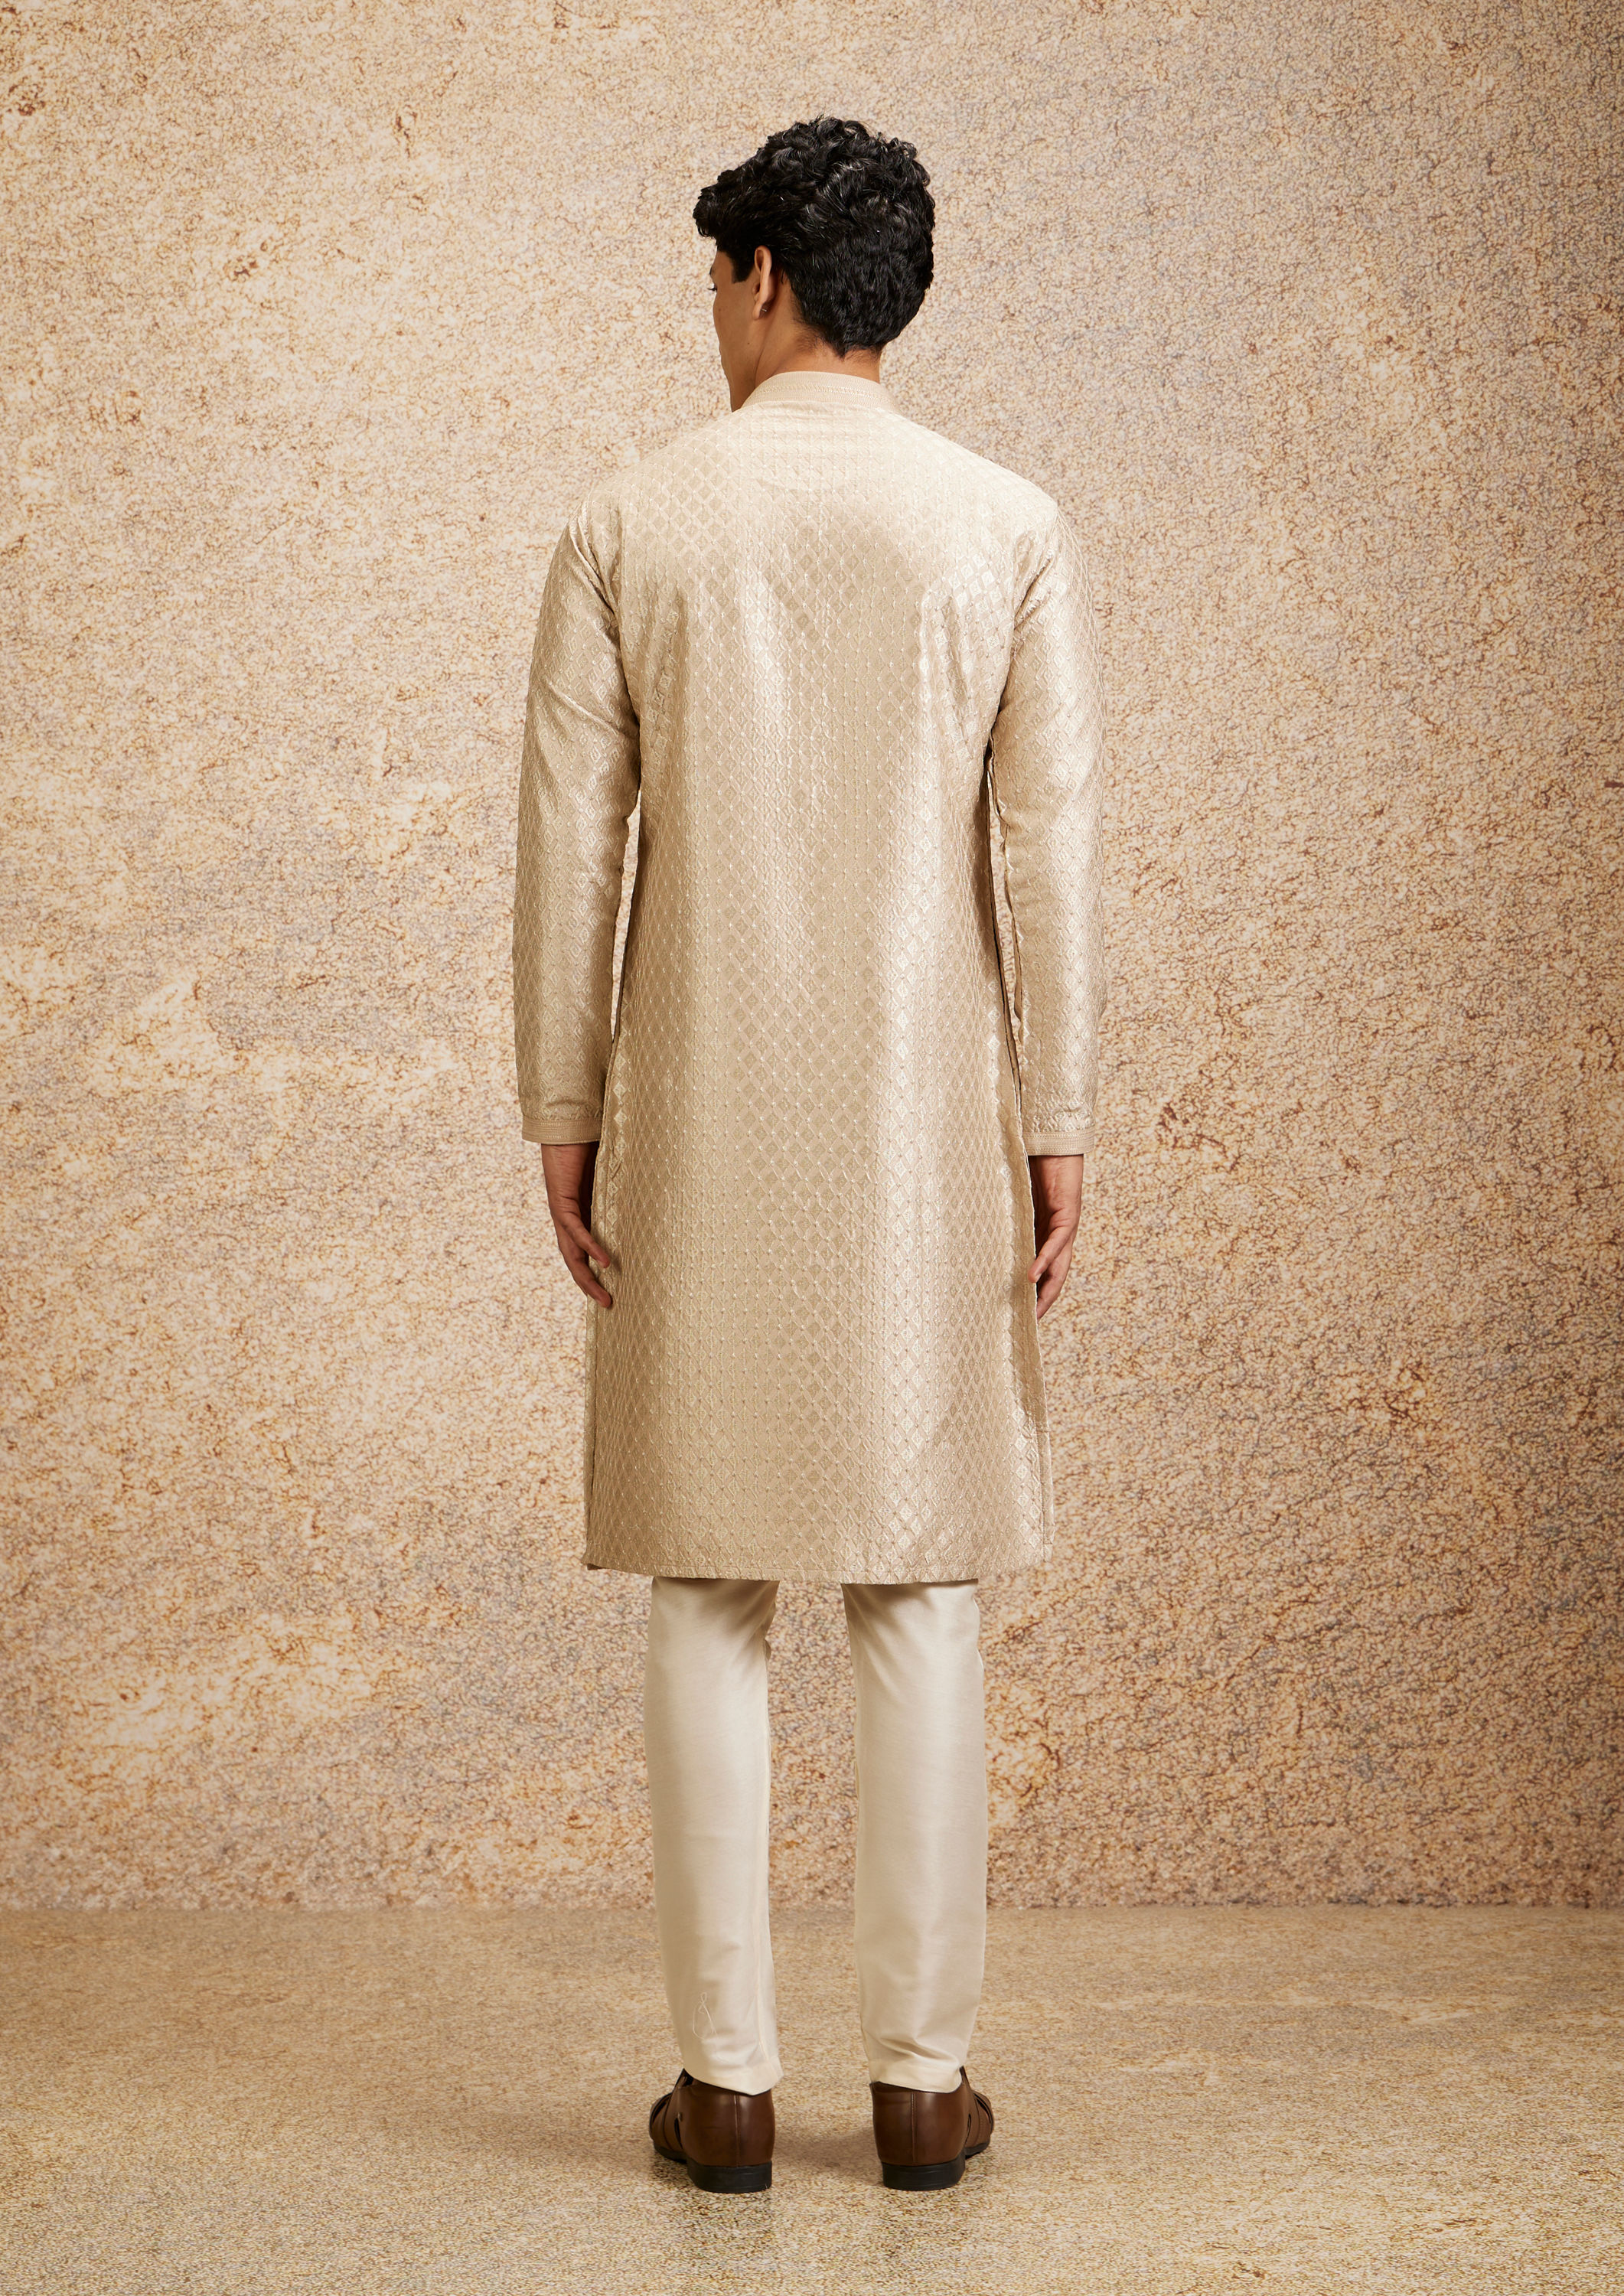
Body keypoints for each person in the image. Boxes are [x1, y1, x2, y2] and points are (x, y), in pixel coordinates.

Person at [511, 115, 1106, 2194]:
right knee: (917, 1577)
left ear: (764, 276)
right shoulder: (1002, 525)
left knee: (705, 1580)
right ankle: (924, 2088)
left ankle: (728, 2089)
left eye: (715, 279)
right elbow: (1047, 851)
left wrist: (562, 1109)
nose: (711, 316)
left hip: (692, 1098)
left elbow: (571, 848)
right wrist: (1058, 1120)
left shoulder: (629, 523)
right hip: (931, 1114)